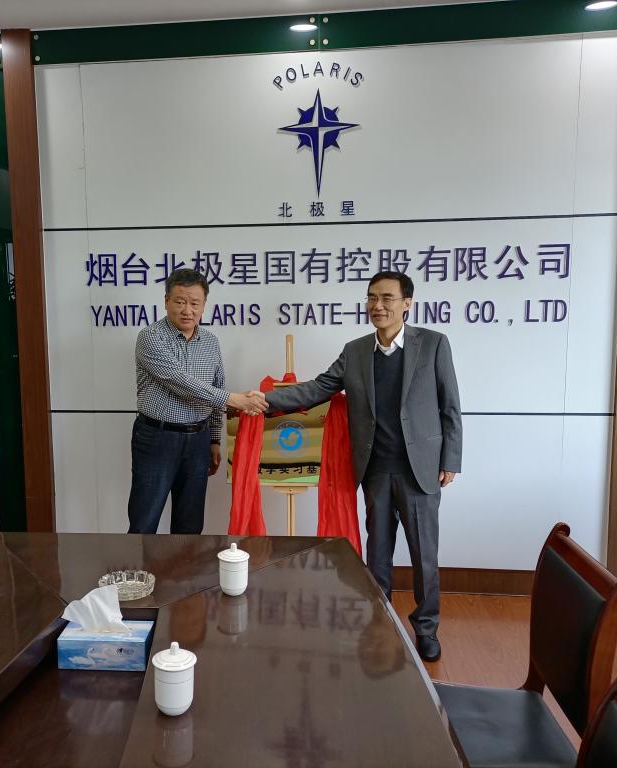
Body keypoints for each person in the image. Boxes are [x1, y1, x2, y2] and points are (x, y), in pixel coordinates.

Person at [259, 271, 461, 661]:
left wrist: (450, 458)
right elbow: (318, 388)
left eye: (387, 298)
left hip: (420, 470)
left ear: (407, 303)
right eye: (371, 298)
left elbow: (449, 405)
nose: (377, 306)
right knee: (377, 555)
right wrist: (265, 399)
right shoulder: (355, 351)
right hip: (375, 470)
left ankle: (426, 627)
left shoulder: (433, 344)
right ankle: (379, 620)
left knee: (424, 557)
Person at [128, 268, 266, 535]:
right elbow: (179, 381)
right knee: (145, 520)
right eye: (180, 302)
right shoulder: (150, 337)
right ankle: (137, 565)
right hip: (157, 438)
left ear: (204, 305)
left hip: (198, 442)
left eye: (194, 303)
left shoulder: (210, 342)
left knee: (190, 525)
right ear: (166, 301)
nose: (187, 310)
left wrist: (213, 439)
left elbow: (215, 388)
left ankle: (185, 566)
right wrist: (233, 400)